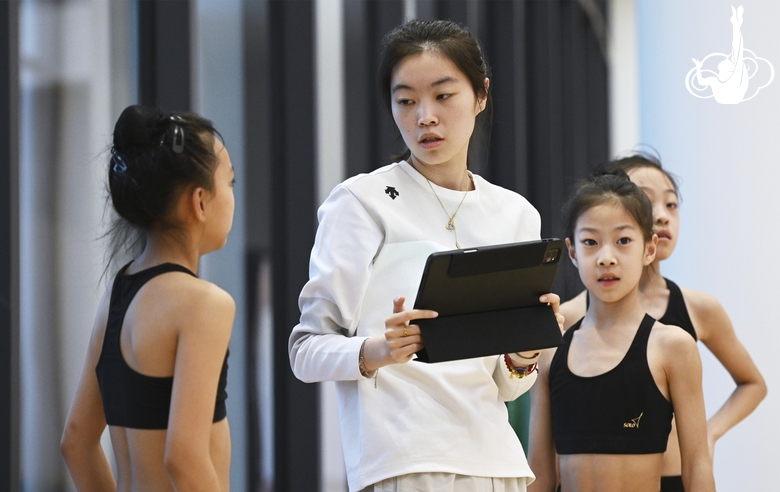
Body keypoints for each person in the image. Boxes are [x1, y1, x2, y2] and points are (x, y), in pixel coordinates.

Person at [289, 19, 563, 492]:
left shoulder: (516, 213)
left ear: (480, 96)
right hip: (403, 461)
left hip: (498, 462)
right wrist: (376, 350)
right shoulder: (360, 202)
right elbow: (305, 351)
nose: (425, 117)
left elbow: (506, 384)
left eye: (443, 95)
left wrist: (525, 350)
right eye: (406, 101)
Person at [559, 154, 766, 491]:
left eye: (671, 204)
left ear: (648, 247)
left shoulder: (696, 309)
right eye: (646, 198)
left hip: (672, 478)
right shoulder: (568, 320)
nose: (661, 215)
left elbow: (753, 383)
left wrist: (709, 432)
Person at [60, 105, 235, 491]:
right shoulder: (204, 305)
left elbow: (76, 441)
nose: (232, 196)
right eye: (230, 182)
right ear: (200, 201)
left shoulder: (118, 292)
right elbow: (184, 459)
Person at [528, 170, 715, 492]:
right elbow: (539, 475)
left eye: (623, 241)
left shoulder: (673, 346)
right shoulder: (550, 349)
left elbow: (697, 466)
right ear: (572, 252)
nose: (606, 258)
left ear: (649, 249)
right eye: (590, 242)